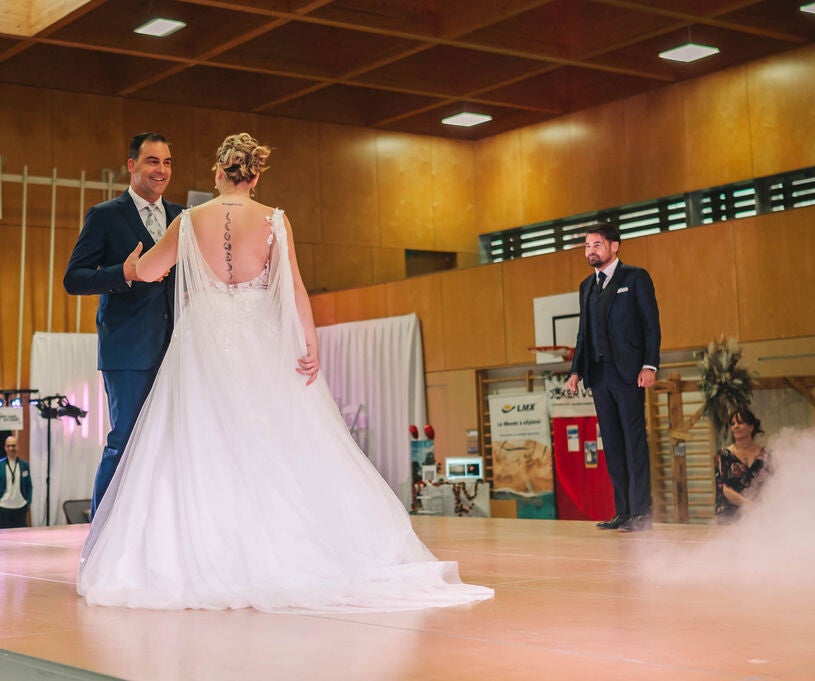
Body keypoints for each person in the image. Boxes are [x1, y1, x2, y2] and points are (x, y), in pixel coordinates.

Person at [77, 133, 493, 613]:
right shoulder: (273, 220)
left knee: (199, 443)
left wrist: (129, 266)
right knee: (271, 440)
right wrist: (309, 341)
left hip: (201, 346)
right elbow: (293, 286)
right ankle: (278, 549)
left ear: (218, 172)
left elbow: (149, 272)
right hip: (260, 343)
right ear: (255, 176)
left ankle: (204, 550)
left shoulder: (189, 220)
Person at [63, 133, 184, 517]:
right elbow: (74, 278)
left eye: (167, 162)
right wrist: (124, 273)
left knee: (174, 444)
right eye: (152, 161)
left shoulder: (183, 217)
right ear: (131, 165)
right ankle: (102, 531)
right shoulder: (105, 216)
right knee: (126, 440)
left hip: (178, 350)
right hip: (128, 349)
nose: (161, 170)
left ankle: (156, 527)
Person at [565, 222, 660, 533]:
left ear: (614, 246)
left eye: (597, 245)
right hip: (599, 376)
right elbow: (583, 333)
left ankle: (641, 514)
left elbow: (651, 326)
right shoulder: (586, 287)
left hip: (629, 373)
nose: (590, 251)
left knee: (634, 443)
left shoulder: (635, 278)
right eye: (587, 246)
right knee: (613, 446)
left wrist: (649, 365)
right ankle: (623, 511)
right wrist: (576, 370)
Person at [714, 407, 772, 523]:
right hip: (730, 517)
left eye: (740, 422)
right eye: (733, 424)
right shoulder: (724, 455)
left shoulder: (766, 455)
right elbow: (726, 490)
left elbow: (773, 486)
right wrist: (751, 506)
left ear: (751, 427)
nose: (735, 426)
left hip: (760, 518)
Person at [0, 435, 32, 529]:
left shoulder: (24, 465)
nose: (11, 448)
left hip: (20, 507)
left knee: (21, 535)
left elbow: (29, 485)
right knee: (4, 535)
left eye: (13, 445)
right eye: (9, 446)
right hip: (3, 508)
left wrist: (28, 501)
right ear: (5, 448)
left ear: (18, 446)